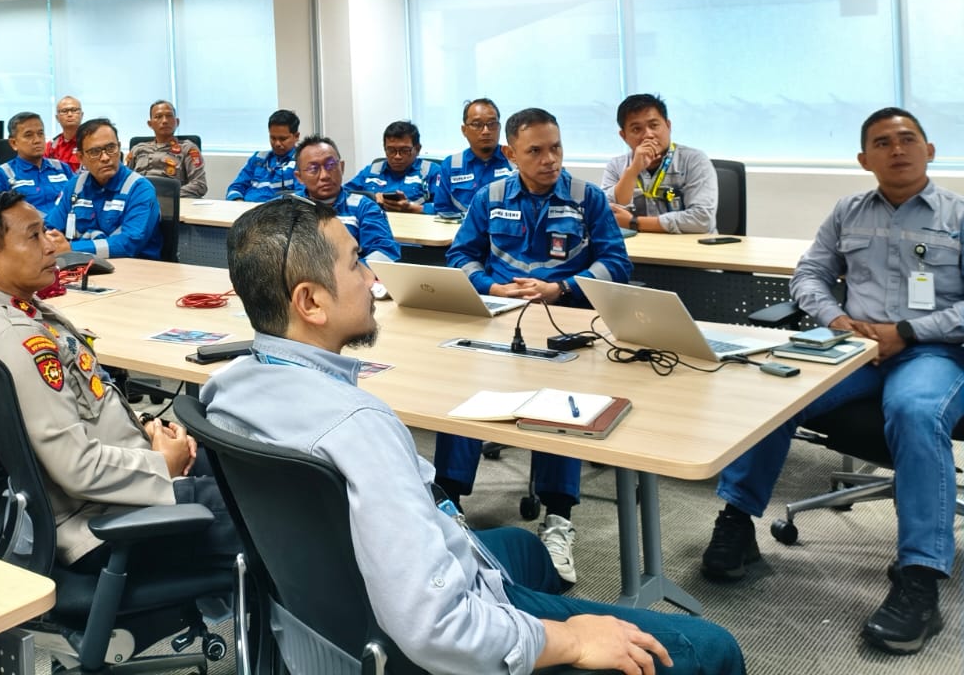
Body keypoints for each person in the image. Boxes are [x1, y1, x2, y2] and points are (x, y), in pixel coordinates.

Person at [201, 198, 745, 675]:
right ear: (310, 302)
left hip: (323, 622)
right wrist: (570, 640)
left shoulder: (226, 388)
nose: (371, 278)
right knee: (713, 649)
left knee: (528, 551)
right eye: (356, 263)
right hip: (425, 643)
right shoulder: (358, 428)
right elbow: (437, 627)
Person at [700, 108, 963, 655]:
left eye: (908, 139)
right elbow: (809, 275)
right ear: (864, 159)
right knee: (777, 387)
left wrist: (906, 332)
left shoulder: (957, 215)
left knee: (915, 412)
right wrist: (836, 319)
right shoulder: (848, 211)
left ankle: (919, 579)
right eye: (882, 143)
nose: (897, 149)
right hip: (854, 347)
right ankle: (738, 521)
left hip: (930, 350)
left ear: (930, 150)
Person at [0, 191, 241, 572]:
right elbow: (77, 468)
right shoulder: (18, 340)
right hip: (104, 521)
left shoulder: (12, 311)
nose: (51, 246)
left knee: (244, 467)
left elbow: (86, 403)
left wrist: (145, 427)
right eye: (33, 236)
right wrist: (161, 464)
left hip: (118, 481)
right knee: (272, 508)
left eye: (45, 231)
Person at [436, 108, 632, 583]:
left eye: (556, 148)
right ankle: (449, 511)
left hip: (566, 321)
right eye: (536, 151)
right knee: (463, 394)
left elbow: (617, 264)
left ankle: (558, 519)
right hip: (502, 320)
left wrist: (562, 288)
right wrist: (491, 286)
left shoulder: (587, 198)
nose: (550, 160)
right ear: (511, 153)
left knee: (559, 405)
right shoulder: (489, 197)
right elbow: (460, 256)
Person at [602, 94, 718, 234]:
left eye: (654, 125)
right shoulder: (615, 166)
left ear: (668, 126)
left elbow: (702, 219)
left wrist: (634, 222)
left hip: (689, 245)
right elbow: (607, 215)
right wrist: (633, 171)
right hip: (638, 245)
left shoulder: (694, 160)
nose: (648, 135)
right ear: (624, 136)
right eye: (636, 129)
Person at [48, 119, 161, 261]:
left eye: (111, 148)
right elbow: (51, 227)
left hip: (133, 268)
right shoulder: (75, 186)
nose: (105, 157)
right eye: (95, 152)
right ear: (81, 157)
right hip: (82, 265)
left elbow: (129, 244)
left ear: (119, 148)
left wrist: (72, 249)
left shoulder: (140, 189)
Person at [293, 135, 400, 267]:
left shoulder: (364, 207)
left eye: (331, 165)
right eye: (313, 169)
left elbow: (384, 251)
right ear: (299, 177)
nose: (325, 176)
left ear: (342, 167)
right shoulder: (286, 207)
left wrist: (350, 272)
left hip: (352, 275)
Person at [0, 112, 73, 225]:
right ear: (13, 143)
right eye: (29, 135)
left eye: (40, 133)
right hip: (28, 232)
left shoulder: (62, 168)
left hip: (67, 230)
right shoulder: (0, 175)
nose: (37, 140)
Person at [431, 98, 514, 217]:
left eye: (492, 124)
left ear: (500, 127)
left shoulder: (515, 160)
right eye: (477, 125)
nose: (486, 131)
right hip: (462, 226)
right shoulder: (451, 165)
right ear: (464, 130)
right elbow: (442, 210)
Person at [343, 120, 438, 213]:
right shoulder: (371, 171)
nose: (397, 156)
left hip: (414, 221)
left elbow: (444, 208)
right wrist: (371, 198)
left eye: (405, 150)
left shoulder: (431, 172)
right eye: (391, 150)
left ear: (417, 149)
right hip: (375, 220)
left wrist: (412, 208)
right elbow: (344, 195)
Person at [127, 100, 207, 199]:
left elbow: (200, 185)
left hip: (171, 202)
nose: (165, 121)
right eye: (158, 116)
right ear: (150, 124)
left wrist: (168, 195)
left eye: (169, 116)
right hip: (139, 202)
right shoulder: (137, 149)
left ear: (177, 122)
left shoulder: (188, 149)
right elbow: (124, 180)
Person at [225, 109, 301, 202]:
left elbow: (301, 195)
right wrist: (238, 202)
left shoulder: (302, 162)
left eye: (283, 139)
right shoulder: (258, 158)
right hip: (246, 208)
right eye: (273, 138)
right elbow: (235, 187)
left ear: (296, 136)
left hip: (277, 210)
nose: (277, 143)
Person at [46, 96, 83, 167]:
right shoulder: (50, 147)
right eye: (64, 111)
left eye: (74, 110)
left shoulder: (90, 143)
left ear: (82, 115)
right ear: (57, 118)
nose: (70, 114)